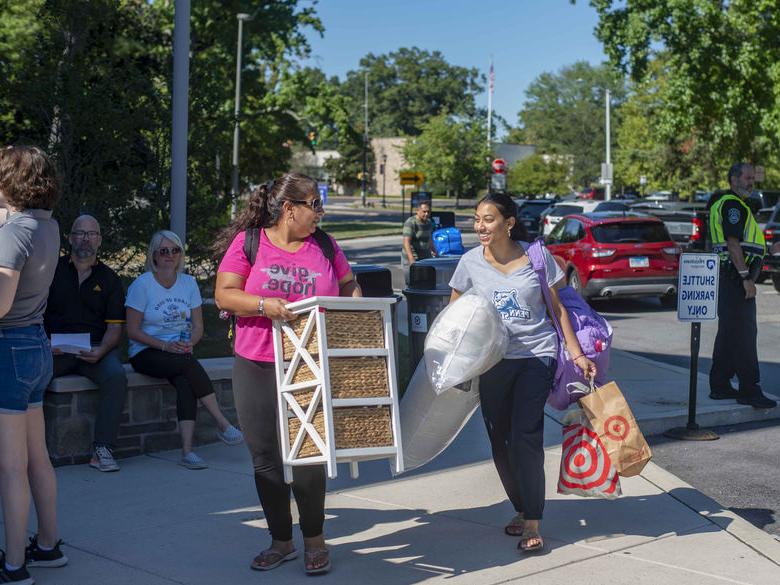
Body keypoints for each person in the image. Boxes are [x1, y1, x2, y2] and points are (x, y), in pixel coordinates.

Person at [214, 173, 361, 576]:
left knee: (309, 453)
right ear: (288, 209)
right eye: (314, 204)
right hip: (257, 361)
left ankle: (314, 541)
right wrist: (265, 304)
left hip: (310, 363)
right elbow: (225, 293)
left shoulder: (326, 245)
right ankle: (281, 541)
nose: (320, 212)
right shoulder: (249, 243)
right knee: (265, 458)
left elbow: (349, 285)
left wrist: (356, 309)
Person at [448, 192, 596, 554]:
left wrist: (577, 354)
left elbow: (559, 309)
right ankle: (520, 506)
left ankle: (533, 519)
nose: (480, 226)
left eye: (488, 219)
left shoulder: (536, 257)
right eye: (477, 220)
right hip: (493, 361)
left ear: (509, 223)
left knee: (526, 435)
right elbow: (455, 316)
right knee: (500, 440)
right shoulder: (468, 263)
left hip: (536, 355)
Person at [0, 145, 68, 584]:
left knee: (11, 467)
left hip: (8, 349)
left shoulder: (13, 231)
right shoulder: (47, 225)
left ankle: (14, 566)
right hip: (36, 347)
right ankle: (47, 545)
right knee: (38, 458)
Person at [125, 230, 244, 470]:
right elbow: (132, 330)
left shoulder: (188, 283)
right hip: (146, 351)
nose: (170, 255)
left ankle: (187, 452)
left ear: (180, 254)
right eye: (164, 251)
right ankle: (222, 422)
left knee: (184, 379)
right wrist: (165, 345)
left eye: (175, 250)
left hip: (178, 352)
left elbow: (198, 325)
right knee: (187, 365)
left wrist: (191, 342)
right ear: (154, 255)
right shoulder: (142, 285)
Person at [44, 215, 128, 472]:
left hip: (93, 350)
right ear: (70, 238)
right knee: (29, 376)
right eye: (80, 233)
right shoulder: (50, 271)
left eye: (91, 234)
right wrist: (45, 344)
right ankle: (30, 450)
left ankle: (102, 449)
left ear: (99, 240)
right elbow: (34, 313)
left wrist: (101, 350)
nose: (85, 238)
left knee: (116, 377)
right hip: (53, 348)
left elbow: (115, 327)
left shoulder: (110, 279)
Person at [708, 163, 776, 409]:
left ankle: (720, 384)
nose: (751, 183)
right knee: (745, 334)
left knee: (728, 332)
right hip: (736, 278)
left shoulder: (723, 203)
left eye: (752, 179)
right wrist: (746, 277)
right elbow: (733, 243)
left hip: (728, 277)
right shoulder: (733, 204)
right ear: (733, 179)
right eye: (747, 178)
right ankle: (749, 389)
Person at [401, 201, 436, 279]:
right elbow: (406, 242)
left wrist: (434, 251)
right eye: (424, 211)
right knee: (412, 283)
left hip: (425, 257)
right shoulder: (410, 223)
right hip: (412, 257)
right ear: (417, 211)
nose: (426, 214)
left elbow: (429, 238)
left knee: (426, 281)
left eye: (428, 212)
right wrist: (411, 259)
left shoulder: (429, 222)